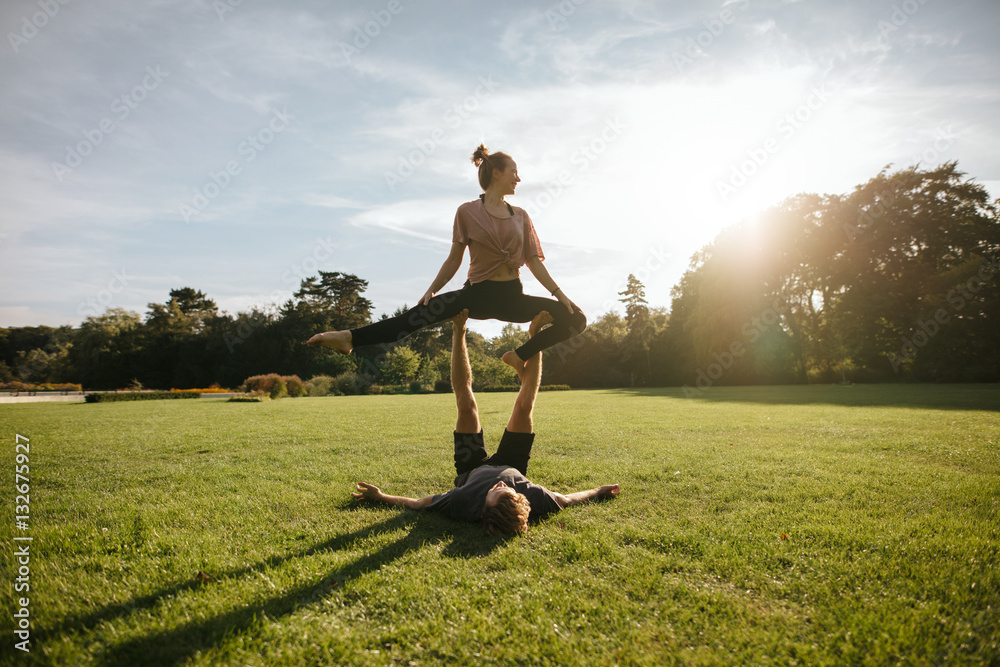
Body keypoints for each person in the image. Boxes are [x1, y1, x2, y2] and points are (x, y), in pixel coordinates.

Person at [307, 143, 587, 379]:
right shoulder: (467, 212)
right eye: (514, 172)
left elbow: (534, 262)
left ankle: (517, 356)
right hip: (477, 295)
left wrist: (561, 295)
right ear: (497, 173)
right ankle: (349, 338)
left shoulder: (521, 216)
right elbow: (455, 258)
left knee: (577, 319)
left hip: (513, 297)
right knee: (412, 319)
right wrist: (432, 290)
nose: (519, 178)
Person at [351, 309, 619, 535]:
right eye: (510, 493)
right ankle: (533, 337)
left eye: (498, 493)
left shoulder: (462, 502)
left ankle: (459, 330)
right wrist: (599, 490)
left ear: (484, 507)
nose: (503, 486)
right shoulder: (532, 497)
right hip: (513, 463)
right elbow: (569, 499)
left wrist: (381, 497)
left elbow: (419, 503)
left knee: (466, 405)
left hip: (471, 467)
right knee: (525, 407)